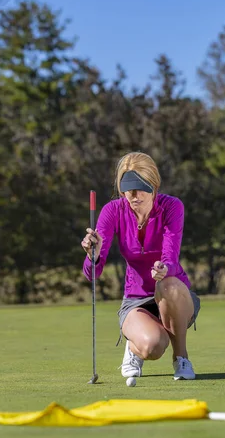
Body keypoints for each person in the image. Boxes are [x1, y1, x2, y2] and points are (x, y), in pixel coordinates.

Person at [81, 152, 200, 381]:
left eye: (140, 187)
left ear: (153, 184)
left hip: (174, 295)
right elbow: (93, 274)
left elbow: (171, 258)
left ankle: (181, 358)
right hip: (136, 299)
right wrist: (92, 256)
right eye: (128, 188)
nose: (134, 195)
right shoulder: (112, 211)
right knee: (152, 347)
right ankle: (135, 346)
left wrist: (164, 268)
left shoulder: (172, 207)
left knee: (169, 284)